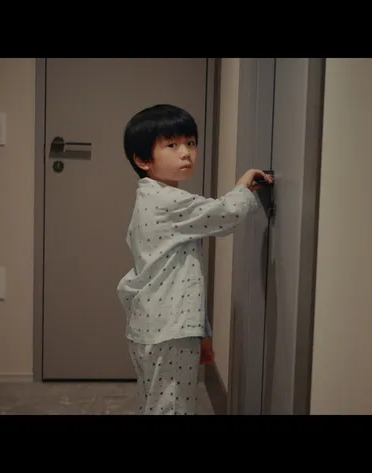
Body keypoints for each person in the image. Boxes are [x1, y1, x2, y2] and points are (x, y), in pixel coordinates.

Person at [116, 103, 273, 415]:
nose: (186, 153)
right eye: (172, 145)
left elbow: (182, 274)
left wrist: (201, 332)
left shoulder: (149, 197)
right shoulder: (168, 201)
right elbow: (225, 214)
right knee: (172, 408)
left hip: (153, 326)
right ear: (143, 160)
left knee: (156, 403)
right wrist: (243, 185)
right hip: (169, 329)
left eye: (190, 142)